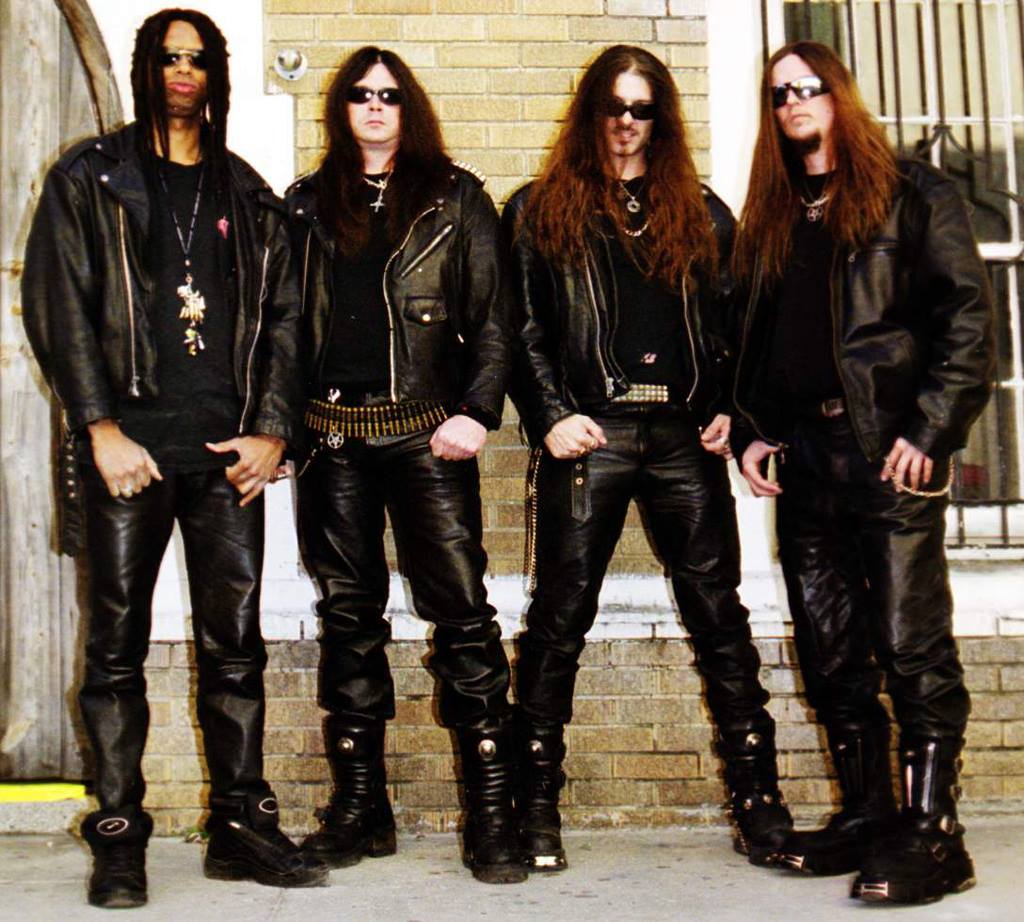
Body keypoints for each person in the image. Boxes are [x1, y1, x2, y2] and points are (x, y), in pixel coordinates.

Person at [21, 8, 326, 908]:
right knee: (114, 649)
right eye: (169, 57)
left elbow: (286, 322)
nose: (183, 71)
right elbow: (58, 306)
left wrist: (272, 430)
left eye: (198, 59)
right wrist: (99, 428)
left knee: (236, 649)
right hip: (132, 454)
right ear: (146, 68)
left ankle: (238, 825)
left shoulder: (249, 194)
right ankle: (119, 834)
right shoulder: (90, 178)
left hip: (227, 458)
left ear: (216, 76)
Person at [504, 44, 792, 874]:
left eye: (643, 110)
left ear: (660, 120)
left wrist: (731, 410)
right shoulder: (537, 211)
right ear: (590, 111)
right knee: (559, 618)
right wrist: (551, 415)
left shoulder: (700, 213)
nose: (627, 124)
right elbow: (518, 329)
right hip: (589, 434)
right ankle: (535, 808)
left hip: (680, 440)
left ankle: (758, 800)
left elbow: (740, 326)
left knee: (719, 616)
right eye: (614, 107)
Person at [730, 40, 994, 905]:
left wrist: (931, 429)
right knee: (831, 649)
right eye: (779, 94)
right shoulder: (777, 214)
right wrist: (756, 431)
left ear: (838, 95)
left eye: (808, 88)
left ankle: (935, 834)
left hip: (887, 453)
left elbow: (967, 325)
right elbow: (763, 340)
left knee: (911, 647)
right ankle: (870, 816)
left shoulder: (913, 194)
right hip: (806, 460)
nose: (794, 103)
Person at [285, 47, 524, 886]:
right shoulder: (307, 203)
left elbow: (495, 318)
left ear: (407, 106)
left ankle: (493, 811)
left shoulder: (455, 197)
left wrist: (476, 412)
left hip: (428, 436)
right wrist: (278, 430)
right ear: (342, 108)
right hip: (332, 439)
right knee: (348, 620)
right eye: (361, 94)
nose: (375, 106)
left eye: (389, 95)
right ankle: (361, 809)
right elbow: (283, 327)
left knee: (461, 615)